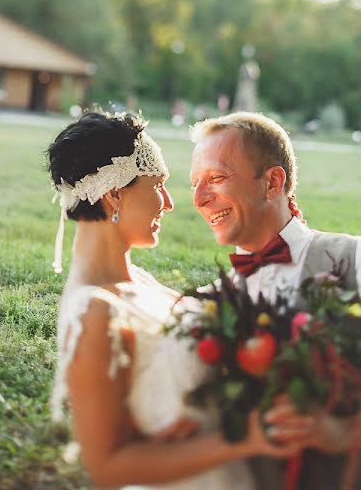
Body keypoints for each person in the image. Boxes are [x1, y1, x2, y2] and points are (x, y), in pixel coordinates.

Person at [188, 112, 361, 490]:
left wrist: (344, 432)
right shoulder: (214, 306)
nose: (199, 199)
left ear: (272, 182)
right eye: (195, 183)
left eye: (217, 178)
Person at [47, 111, 297, 489]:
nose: (169, 202)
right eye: (158, 185)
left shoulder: (139, 281)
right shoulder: (93, 311)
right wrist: (244, 436)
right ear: (115, 195)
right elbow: (107, 467)